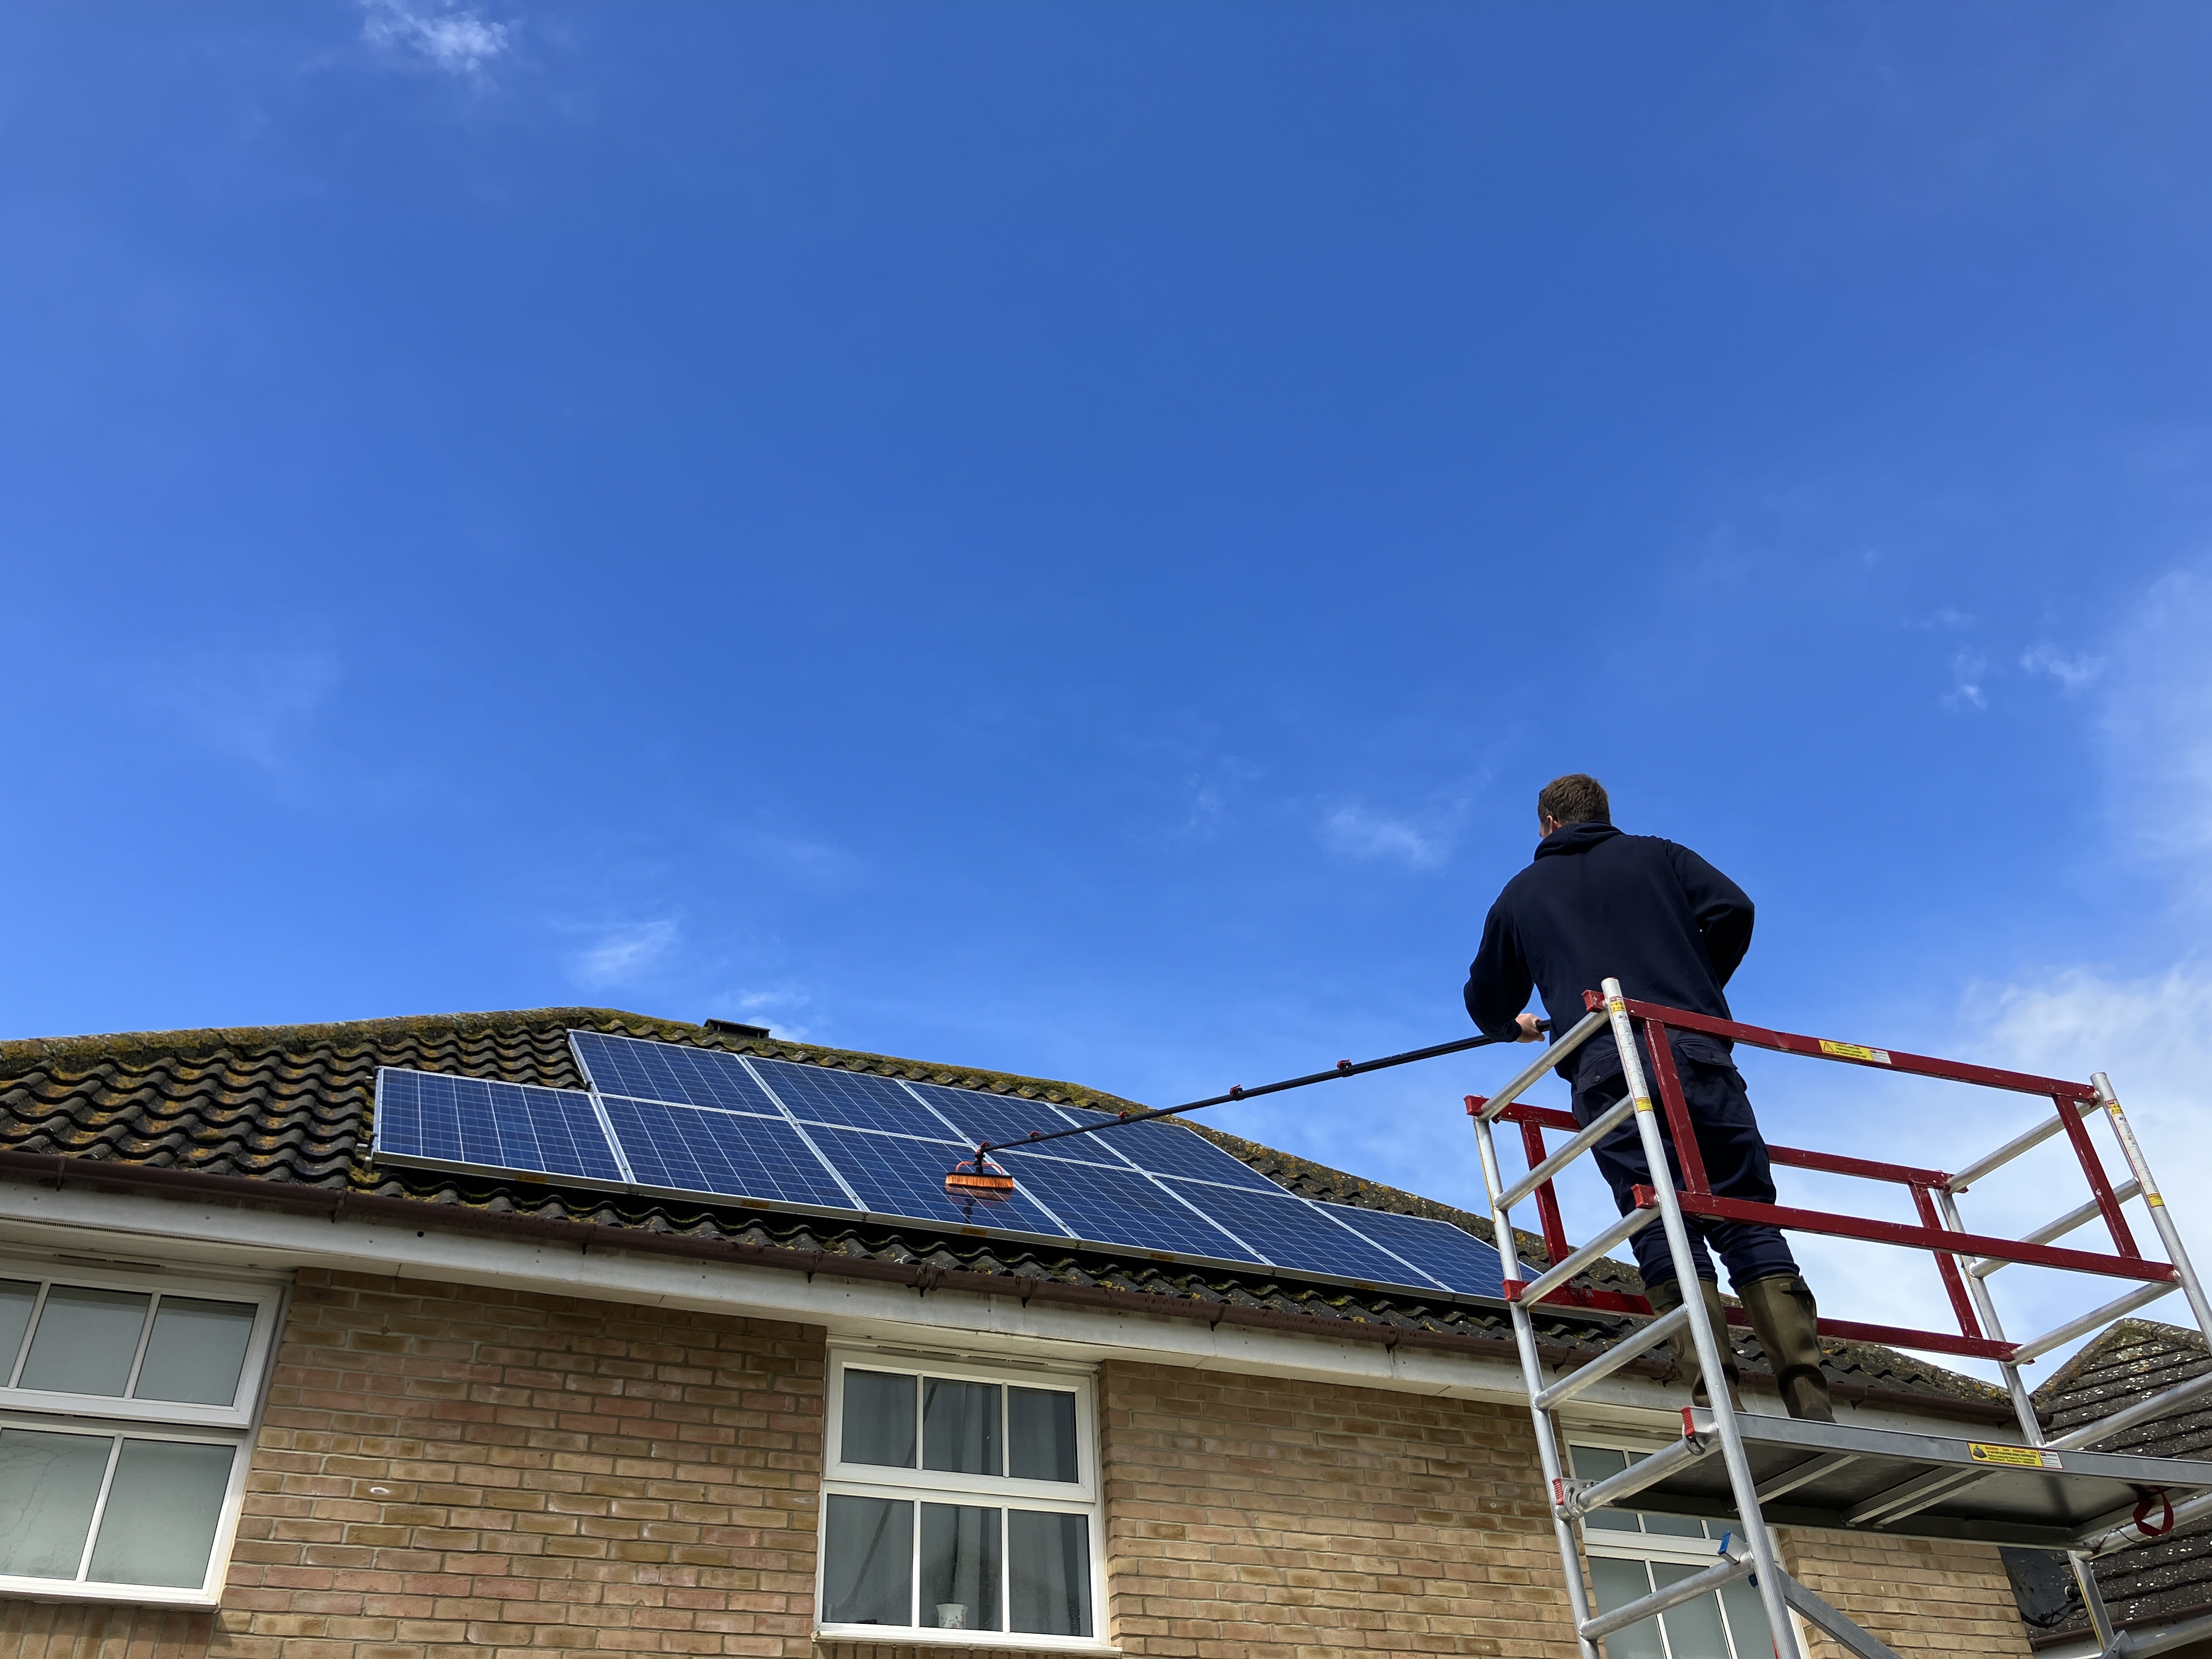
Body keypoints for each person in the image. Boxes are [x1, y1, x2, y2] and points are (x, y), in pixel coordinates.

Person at [1463, 772, 1833, 1422]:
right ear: (1604, 814)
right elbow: (1734, 909)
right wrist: (1692, 989)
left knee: (1659, 1217)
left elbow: (1487, 1000)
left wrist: (1511, 1028)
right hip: (1695, 1051)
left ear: (1547, 824)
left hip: (1607, 1071)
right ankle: (1807, 1397)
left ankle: (1717, 1400)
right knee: (1743, 1207)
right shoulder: (1659, 854)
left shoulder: (1520, 895)